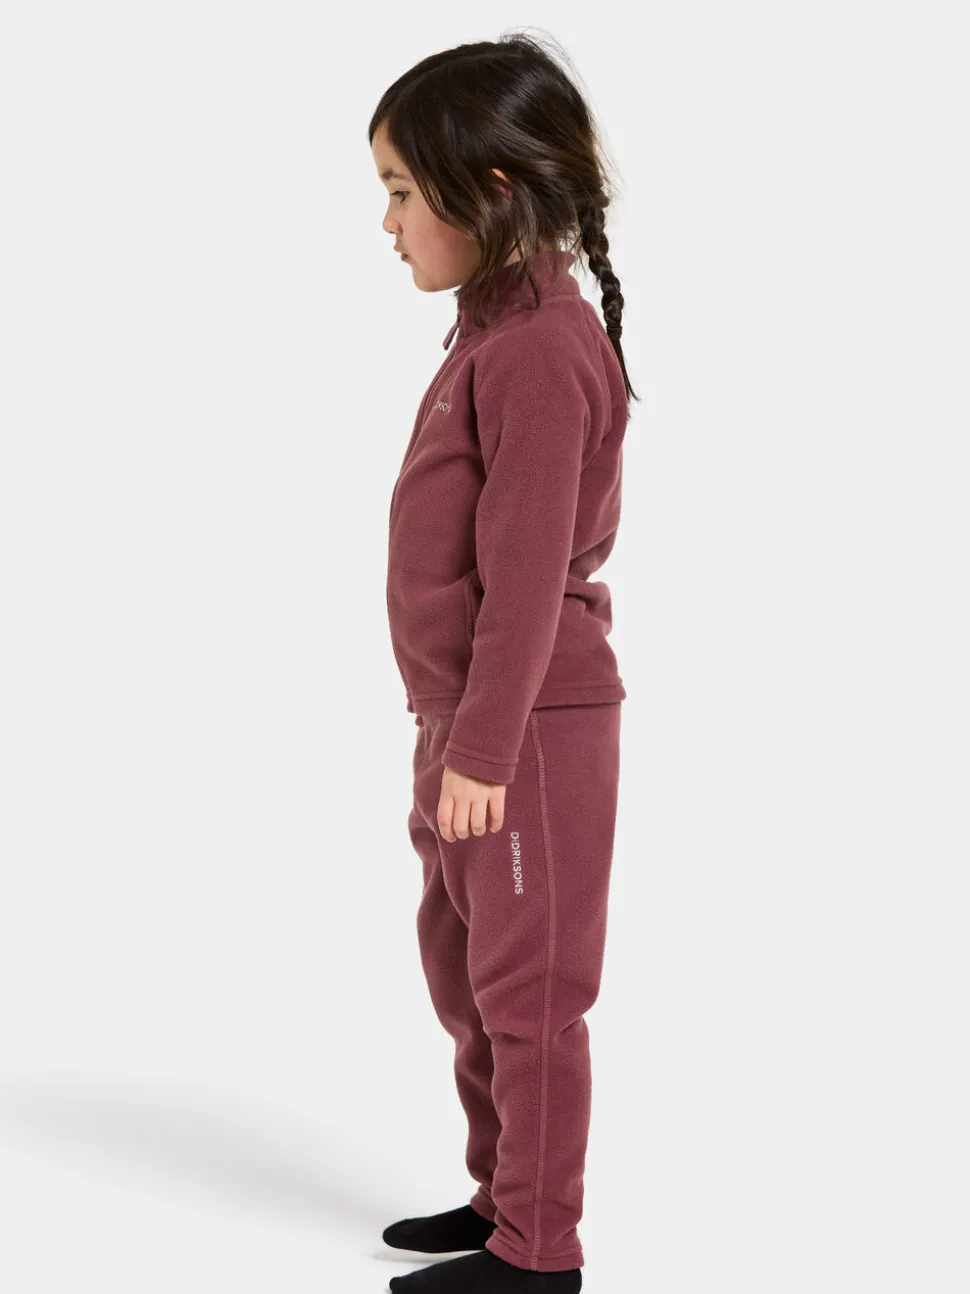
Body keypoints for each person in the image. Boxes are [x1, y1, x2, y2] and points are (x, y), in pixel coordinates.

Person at [368, 31, 639, 1294]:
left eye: (401, 191)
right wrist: (452, 736)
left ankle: (539, 1252)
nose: (386, 224)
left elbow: (524, 578)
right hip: (469, 723)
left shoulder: (535, 350)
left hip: (521, 729)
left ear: (485, 190)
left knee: (528, 990)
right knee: (468, 977)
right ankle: (500, 1199)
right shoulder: (490, 336)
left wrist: (479, 751)